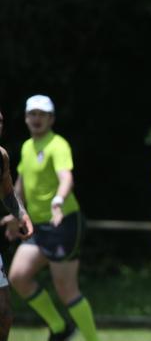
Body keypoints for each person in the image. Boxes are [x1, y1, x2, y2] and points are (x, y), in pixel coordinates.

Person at [6, 95, 98, 341]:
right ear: (26, 118)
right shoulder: (26, 147)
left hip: (64, 222)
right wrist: (16, 215)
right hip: (38, 226)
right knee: (18, 277)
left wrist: (57, 201)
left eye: (41, 114)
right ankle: (59, 327)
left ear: (51, 119)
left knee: (66, 290)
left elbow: (66, 178)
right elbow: (20, 186)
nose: (36, 119)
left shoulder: (58, 144)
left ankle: (93, 340)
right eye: (32, 114)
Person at [0, 109, 34, 341]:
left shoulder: (1, 156)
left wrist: (21, 214)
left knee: (4, 314)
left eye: (0, 121)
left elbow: (8, 193)